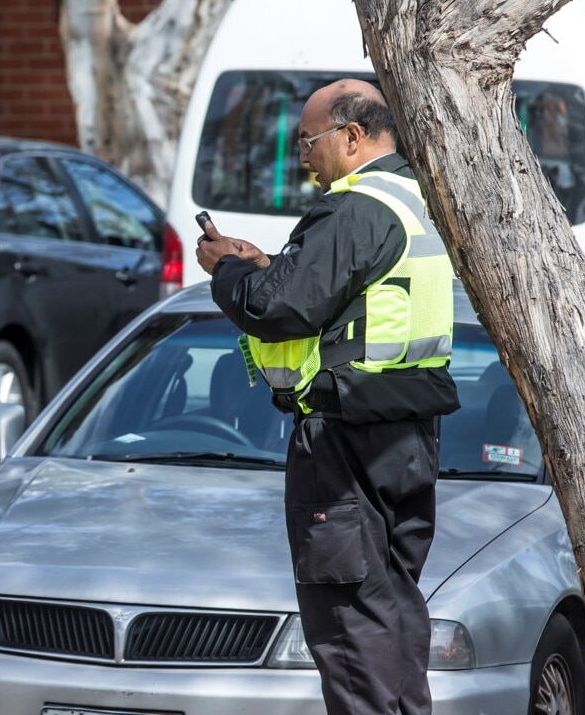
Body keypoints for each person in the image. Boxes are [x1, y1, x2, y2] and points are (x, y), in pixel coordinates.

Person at [195, 79, 459, 715]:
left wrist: (228, 272)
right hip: (405, 436)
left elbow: (277, 307)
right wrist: (265, 264)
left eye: (309, 142)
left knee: (349, 630)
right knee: (390, 613)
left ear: (351, 137)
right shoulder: (416, 199)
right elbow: (349, 298)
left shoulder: (354, 207)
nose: (302, 157)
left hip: (345, 444)